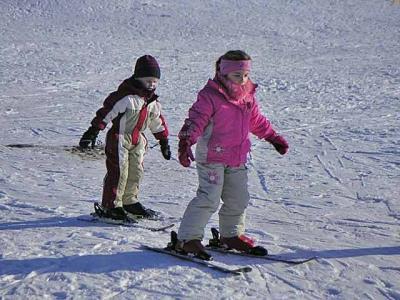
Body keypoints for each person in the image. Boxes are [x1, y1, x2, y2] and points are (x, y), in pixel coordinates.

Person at [176, 50, 289, 256]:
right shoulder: (210, 96)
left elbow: (256, 121)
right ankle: (187, 239)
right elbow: (196, 120)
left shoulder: (247, 96)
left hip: (237, 158)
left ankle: (230, 235)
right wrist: (186, 142)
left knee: (239, 198)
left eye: (245, 75)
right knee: (209, 198)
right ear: (224, 73)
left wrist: (273, 137)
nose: (242, 79)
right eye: (237, 75)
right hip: (212, 157)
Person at [79, 55, 171, 221]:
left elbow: (157, 122)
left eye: (155, 81)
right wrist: (93, 131)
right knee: (119, 172)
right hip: (119, 138)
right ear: (138, 78)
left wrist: (164, 141)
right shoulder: (125, 98)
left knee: (136, 172)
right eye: (148, 80)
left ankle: (129, 201)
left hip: (138, 141)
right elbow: (106, 113)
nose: (152, 84)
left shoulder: (152, 102)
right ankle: (111, 205)